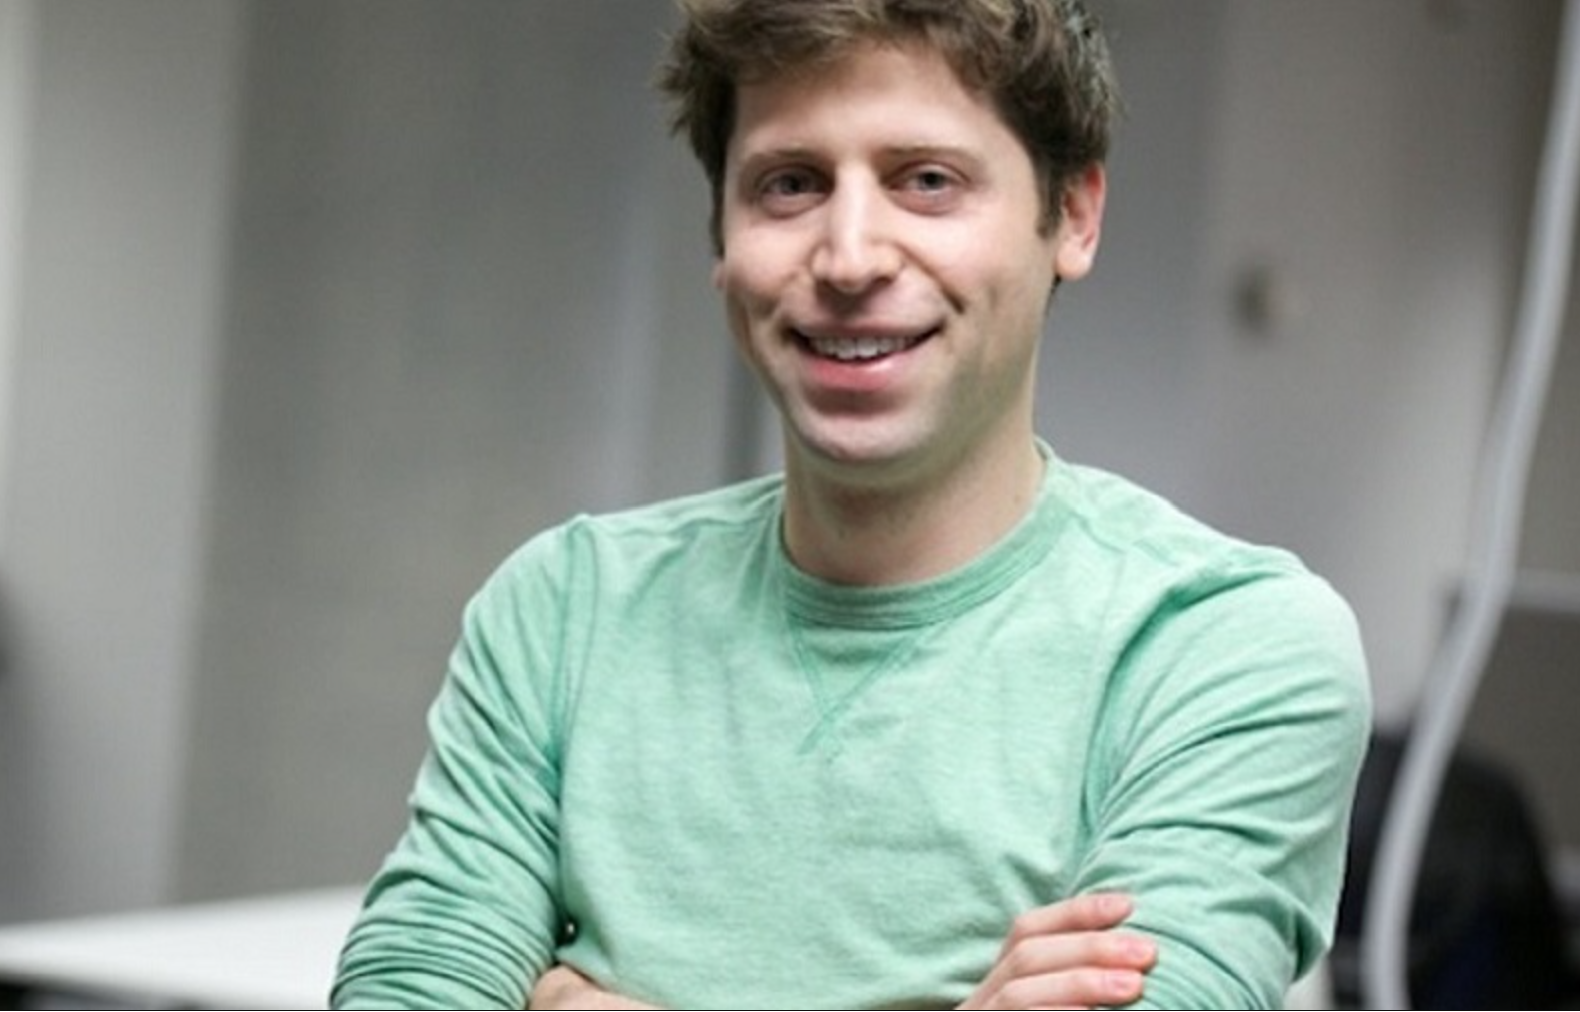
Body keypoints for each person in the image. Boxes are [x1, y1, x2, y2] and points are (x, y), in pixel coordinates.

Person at [330, 0, 1372, 1008]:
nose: (848, 258)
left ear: (1073, 216)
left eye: (927, 181)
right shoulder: (566, 610)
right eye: (788, 185)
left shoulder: (1220, 645)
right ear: (722, 236)